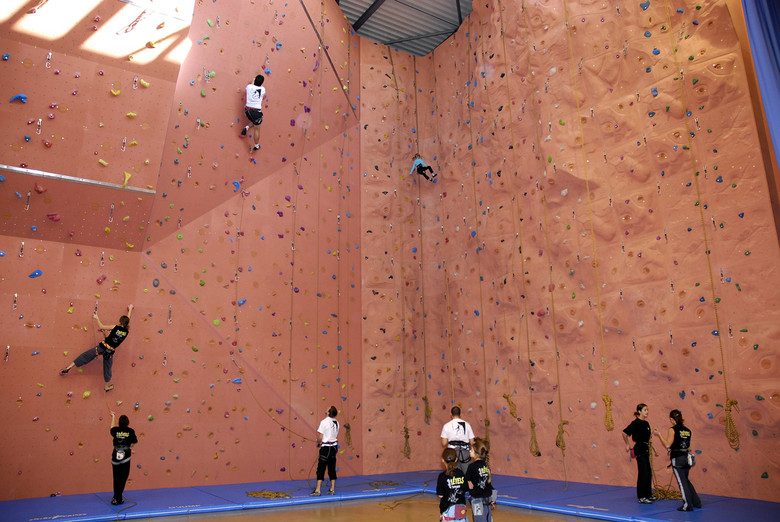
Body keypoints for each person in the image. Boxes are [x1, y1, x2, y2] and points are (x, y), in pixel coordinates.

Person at [60, 305, 133, 392]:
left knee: (86, 355)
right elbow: (127, 319)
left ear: (120, 322)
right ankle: (106, 386)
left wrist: (96, 317)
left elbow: (101, 326)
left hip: (102, 347)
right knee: (107, 369)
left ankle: (68, 368)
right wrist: (130, 310)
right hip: (109, 353)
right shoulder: (126, 332)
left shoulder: (115, 327)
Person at [654, 409, 702, 512]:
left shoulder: (673, 430)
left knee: (682, 482)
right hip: (686, 457)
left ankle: (687, 505)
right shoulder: (687, 430)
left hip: (678, 458)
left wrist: (659, 435)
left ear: (672, 419)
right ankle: (696, 502)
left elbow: (667, 444)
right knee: (686, 480)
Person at [622, 403, 655, 504]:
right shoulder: (636, 423)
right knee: (643, 472)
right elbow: (624, 433)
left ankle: (648, 494)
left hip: (646, 448)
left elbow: (648, 438)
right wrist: (627, 444)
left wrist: (654, 449)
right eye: (645, 410)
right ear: (639, 411)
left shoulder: (646, 423)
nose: (647, 412)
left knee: (648, 472)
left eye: (647, 410)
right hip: (639, 448)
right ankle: (641, 496)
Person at [110, 411, 137, 505]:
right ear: (128, 423)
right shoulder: (130, 431)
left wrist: (113, 416)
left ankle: (116, 497)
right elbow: (133, 443)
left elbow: (112, 428)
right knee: (123, 478)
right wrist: (128, 445)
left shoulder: (115, 430)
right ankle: (118, 497)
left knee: (116, 478)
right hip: (125, 458)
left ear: (119, 423)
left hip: (115, 458)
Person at [311, 405, 339, 496]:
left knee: (321, 468)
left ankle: (318, 490)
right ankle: (332, 489)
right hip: (334, 447)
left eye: (327, 410)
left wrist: (318, 442)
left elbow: (321, 436)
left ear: (328, 412)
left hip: (326, 447)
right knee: (331, 467)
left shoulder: (324, 422)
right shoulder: (337, 422)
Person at [465, 438, 495, 522]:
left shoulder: (472, 466)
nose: (470, 451)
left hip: (477, 499)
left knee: (479, 519)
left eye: (471, 450)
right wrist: (493, 499)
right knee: (487, 518)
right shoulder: (486, 466)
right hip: (487, 498)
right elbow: (489, 483)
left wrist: (468, 483)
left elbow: (467, 480)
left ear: (476, 453)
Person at [441, 406, 475, 474]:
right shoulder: (467, 425)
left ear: (451, 414)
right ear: (460, 414)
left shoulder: (446, 426)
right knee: (467, 473)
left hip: (452, 453)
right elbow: (472, 442)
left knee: (453, 473)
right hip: (465, 452)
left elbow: (444, 443)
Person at [437, 447, 468, 522]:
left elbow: (440, 495)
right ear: (456, 459)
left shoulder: (442, 476)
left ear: (442, 460)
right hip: (460, 507)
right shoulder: (461, 473)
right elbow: (465, 489)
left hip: (447, 508)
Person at [241, 74, 266, 153]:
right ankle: (256, 145)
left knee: (255, 121)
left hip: (247, 111)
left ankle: (247, 127)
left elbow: (252, 84)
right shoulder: (263, 89)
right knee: (257, 129)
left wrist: (253, 80)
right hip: (256, 112)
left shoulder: (249, 87)